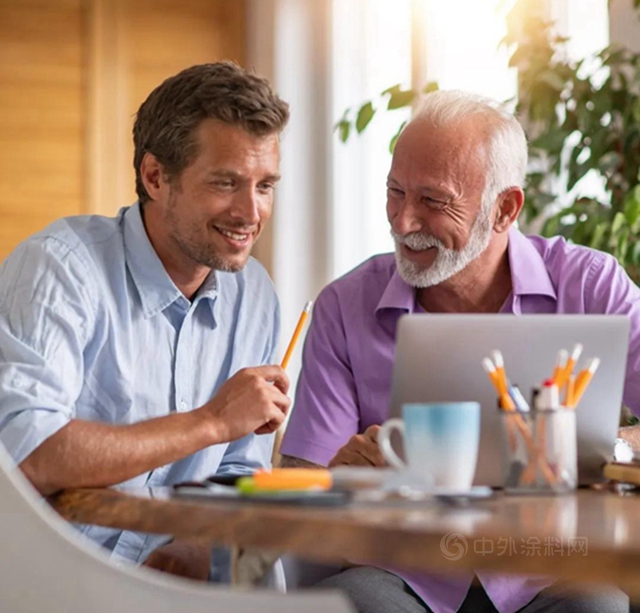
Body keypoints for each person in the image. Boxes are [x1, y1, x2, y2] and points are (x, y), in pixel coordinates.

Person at [280, 91, 635, 612]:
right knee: (350, 604)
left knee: (597, 606)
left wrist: (602, 446)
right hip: (400, 574)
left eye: (433, 200)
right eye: (395, 192)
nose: (403, 221)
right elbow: (297, 489)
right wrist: (341, 478)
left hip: (551, 575)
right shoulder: (344, 305)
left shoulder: (591, 285)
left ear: (504, 209)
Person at [0, 61, 291, 579]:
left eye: (265, 186)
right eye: (226, 182)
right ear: (155, 177)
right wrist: (210, 422)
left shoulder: (256, 296)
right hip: (55, 578)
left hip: (177, 585)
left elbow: (239, 471)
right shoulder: (61, 269)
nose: (251, 212)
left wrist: (196, 549)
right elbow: (32, 454)